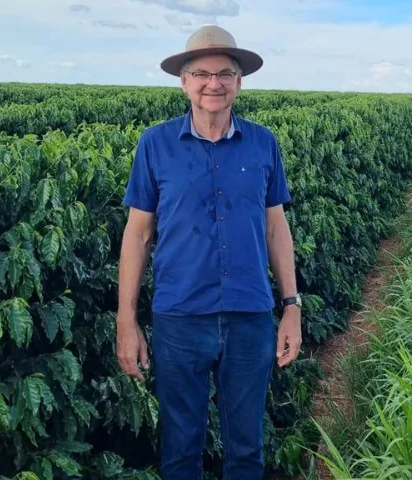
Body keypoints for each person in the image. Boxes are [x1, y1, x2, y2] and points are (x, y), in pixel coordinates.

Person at [114, 24, 302, 479]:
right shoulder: (154, 144)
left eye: (224, 74)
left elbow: (276, 228)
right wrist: (126, 319)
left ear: (240, 81)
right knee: (180, 449)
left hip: (250, 316)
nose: (212, 84)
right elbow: (137, 235)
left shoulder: (263, 143)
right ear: (184, 81)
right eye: (201, 73)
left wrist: (292, 306)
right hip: (179, 318)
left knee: (247, 450)